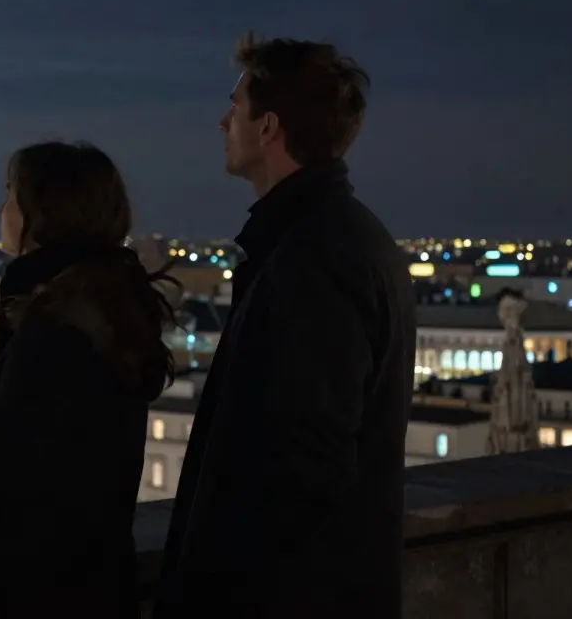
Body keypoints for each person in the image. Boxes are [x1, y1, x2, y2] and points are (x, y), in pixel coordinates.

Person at [151, 34, 416, 617]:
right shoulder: (351, 239)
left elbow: (299, 475)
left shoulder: (313, 257)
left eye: (235, 106)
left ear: (268, 126)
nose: (223, 122)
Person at [0, 141, 178, 618]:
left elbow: (2, 498)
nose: (0, 210)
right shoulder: (102, 314)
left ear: (42, 213)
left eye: (10, 194)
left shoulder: (57, 334)